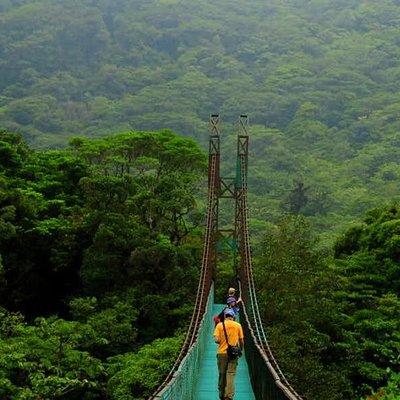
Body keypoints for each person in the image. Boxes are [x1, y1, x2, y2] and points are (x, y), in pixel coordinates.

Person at [213, 308, 244, 400]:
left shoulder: (219, 325)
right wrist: (240, 350)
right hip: (233, 353)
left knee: (222, 374)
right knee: (230, 374)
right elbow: (241, 340)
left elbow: (216, 340)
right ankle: (229, 396)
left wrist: (221, 341)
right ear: (233, 317)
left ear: (225, 316)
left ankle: (221, 394)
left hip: (222, 353)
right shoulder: (238, 325)